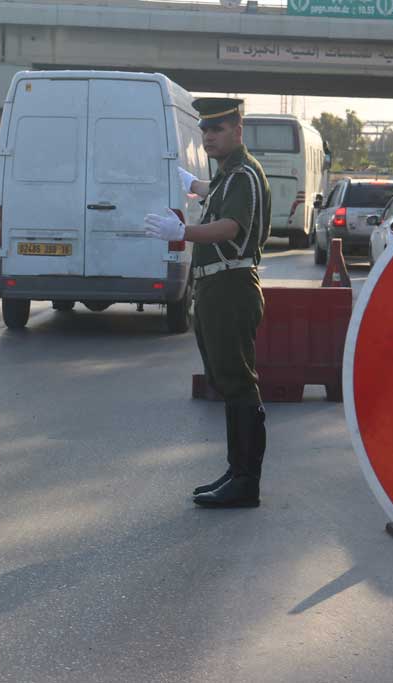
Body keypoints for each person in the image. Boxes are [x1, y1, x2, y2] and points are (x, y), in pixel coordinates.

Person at [144, 98, 271, 509]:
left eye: (218, 129)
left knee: (238, 383)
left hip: (231, 287)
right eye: (205, 130)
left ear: (238, 128)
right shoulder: (228, 176)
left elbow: (229, 226)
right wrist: (191, 184)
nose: (209, 137)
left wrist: (182, 232)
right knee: (227, 382)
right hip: (216, 290)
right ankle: (236, 471)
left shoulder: (245, 175)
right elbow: (212, 191)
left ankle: (246, 481)